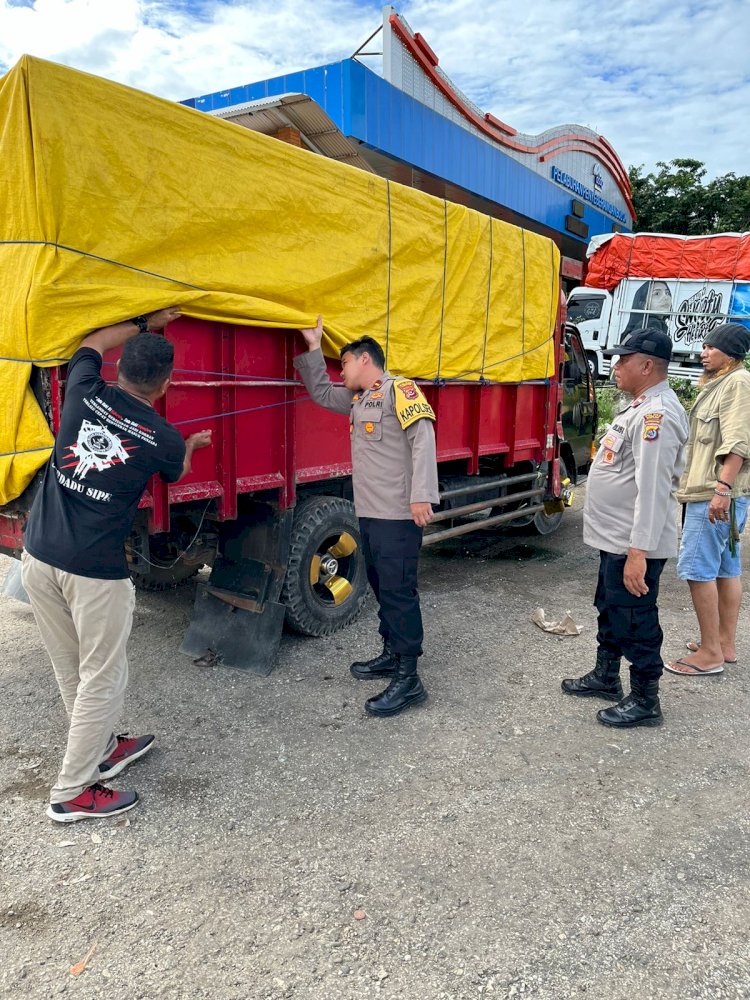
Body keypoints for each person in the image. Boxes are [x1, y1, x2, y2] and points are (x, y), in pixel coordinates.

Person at [22, 308, 212, 822]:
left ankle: (103, 750)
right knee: (102, 676)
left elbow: (91, 337)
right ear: (167, 383)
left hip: (38, 555)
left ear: (118, 366)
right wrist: (191, 445)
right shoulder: (164, 438)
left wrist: (146, 323)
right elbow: (176, 473)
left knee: (73, 669)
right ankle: (73, 790)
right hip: (94, 573)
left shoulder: (83, 390)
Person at [295, 316, 439, 717]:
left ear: (363, 359)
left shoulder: (400, 390)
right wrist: (312, 348)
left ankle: (410, 679)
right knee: (380, 585)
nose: (339, 374)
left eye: (342, 365)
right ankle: (391, 652)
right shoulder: (360, 399)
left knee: (398, 590)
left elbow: (422, 438)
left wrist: (422, 495)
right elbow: (322, 394)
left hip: (398, 513)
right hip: (372, 513)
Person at [561, 327, 688, 727]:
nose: (615, 366)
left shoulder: (658, 415)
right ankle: (605, 676)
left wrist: (639, 553)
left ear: (647, 365)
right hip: (616, 539)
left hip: (634, 544)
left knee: (635, 619)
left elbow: (652, 491)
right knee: (610, 608)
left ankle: (646, 701)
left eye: (623, 359)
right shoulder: (638, 407)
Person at [666, 323, 750, 677]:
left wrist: (722, 489)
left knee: (698, 570)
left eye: (711, 347)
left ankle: (710, 653)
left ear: (729, 354)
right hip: (722, 496)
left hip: (714, 495)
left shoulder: (737, 383)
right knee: (725, 568)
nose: (703, 352)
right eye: (703, 346)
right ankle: (723, 644)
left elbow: (738, 442)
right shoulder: (721, 383)